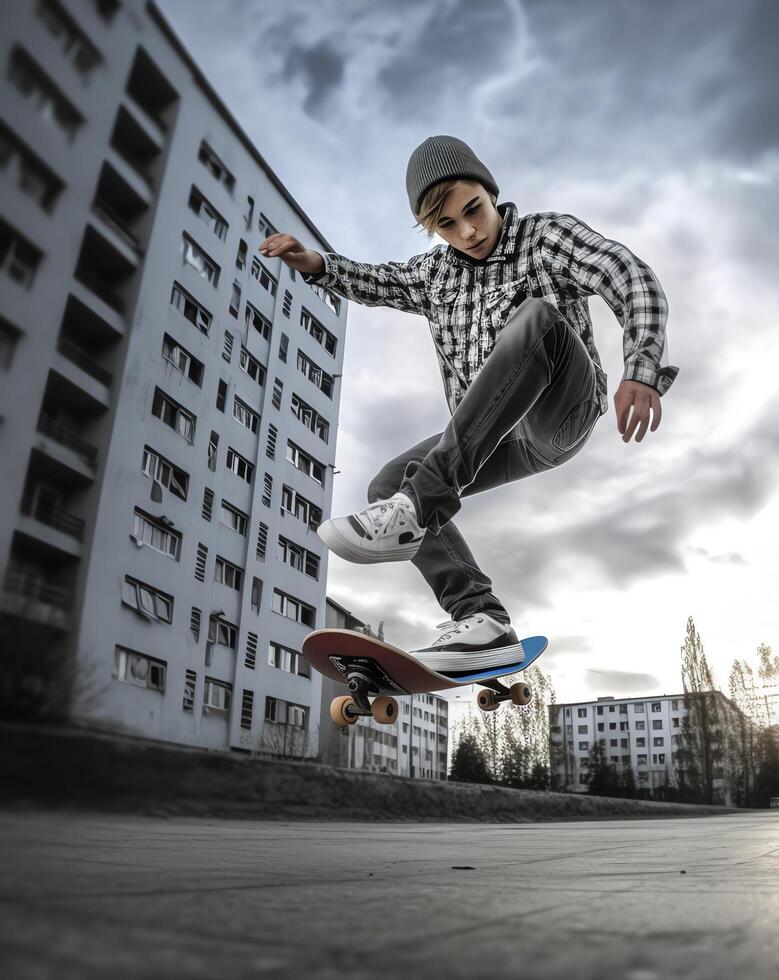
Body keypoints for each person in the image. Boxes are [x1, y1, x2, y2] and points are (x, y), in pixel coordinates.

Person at [259, 135, 677, 672]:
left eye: (473, 210)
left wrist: (640, 367)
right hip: (492, 440)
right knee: (390, 483)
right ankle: (483, 621)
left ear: (489, 191)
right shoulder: (435, 276)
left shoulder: (545, 237)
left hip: (560, 414)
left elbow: (631, 276)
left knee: (537, 319)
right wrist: (317, 264)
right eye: (448, 225)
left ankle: (418, 506)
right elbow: (378, 281)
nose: (469, 232)